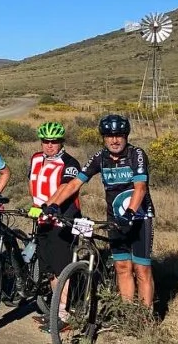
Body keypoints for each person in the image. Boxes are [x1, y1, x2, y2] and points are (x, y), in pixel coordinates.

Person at [43, 114, 155, 310]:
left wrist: (129, 213)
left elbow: (140, 188)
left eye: (119, 135)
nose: (114, 140)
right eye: (109, 136)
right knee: (122, 267)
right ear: (103, 138)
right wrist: (55, 204)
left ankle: (144, 317)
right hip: (114, 219)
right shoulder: (99, 157)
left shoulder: (136, 154)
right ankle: (128, 312)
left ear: (126, 136)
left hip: (138, 217)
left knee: (142, 269)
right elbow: (75, 183)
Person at [23, 121, 83, 329]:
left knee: (61, 268)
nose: (49, 145)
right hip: (42, 219)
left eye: (54, 142)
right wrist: (35, 204)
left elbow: (66, 187)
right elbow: (32, 182)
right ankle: (56, 311)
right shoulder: (36, 158)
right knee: (49, 269)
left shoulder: (70, 163)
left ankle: (65, 316)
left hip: (63, 219)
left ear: (61, 142)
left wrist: (49, 206)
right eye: (46, 141)